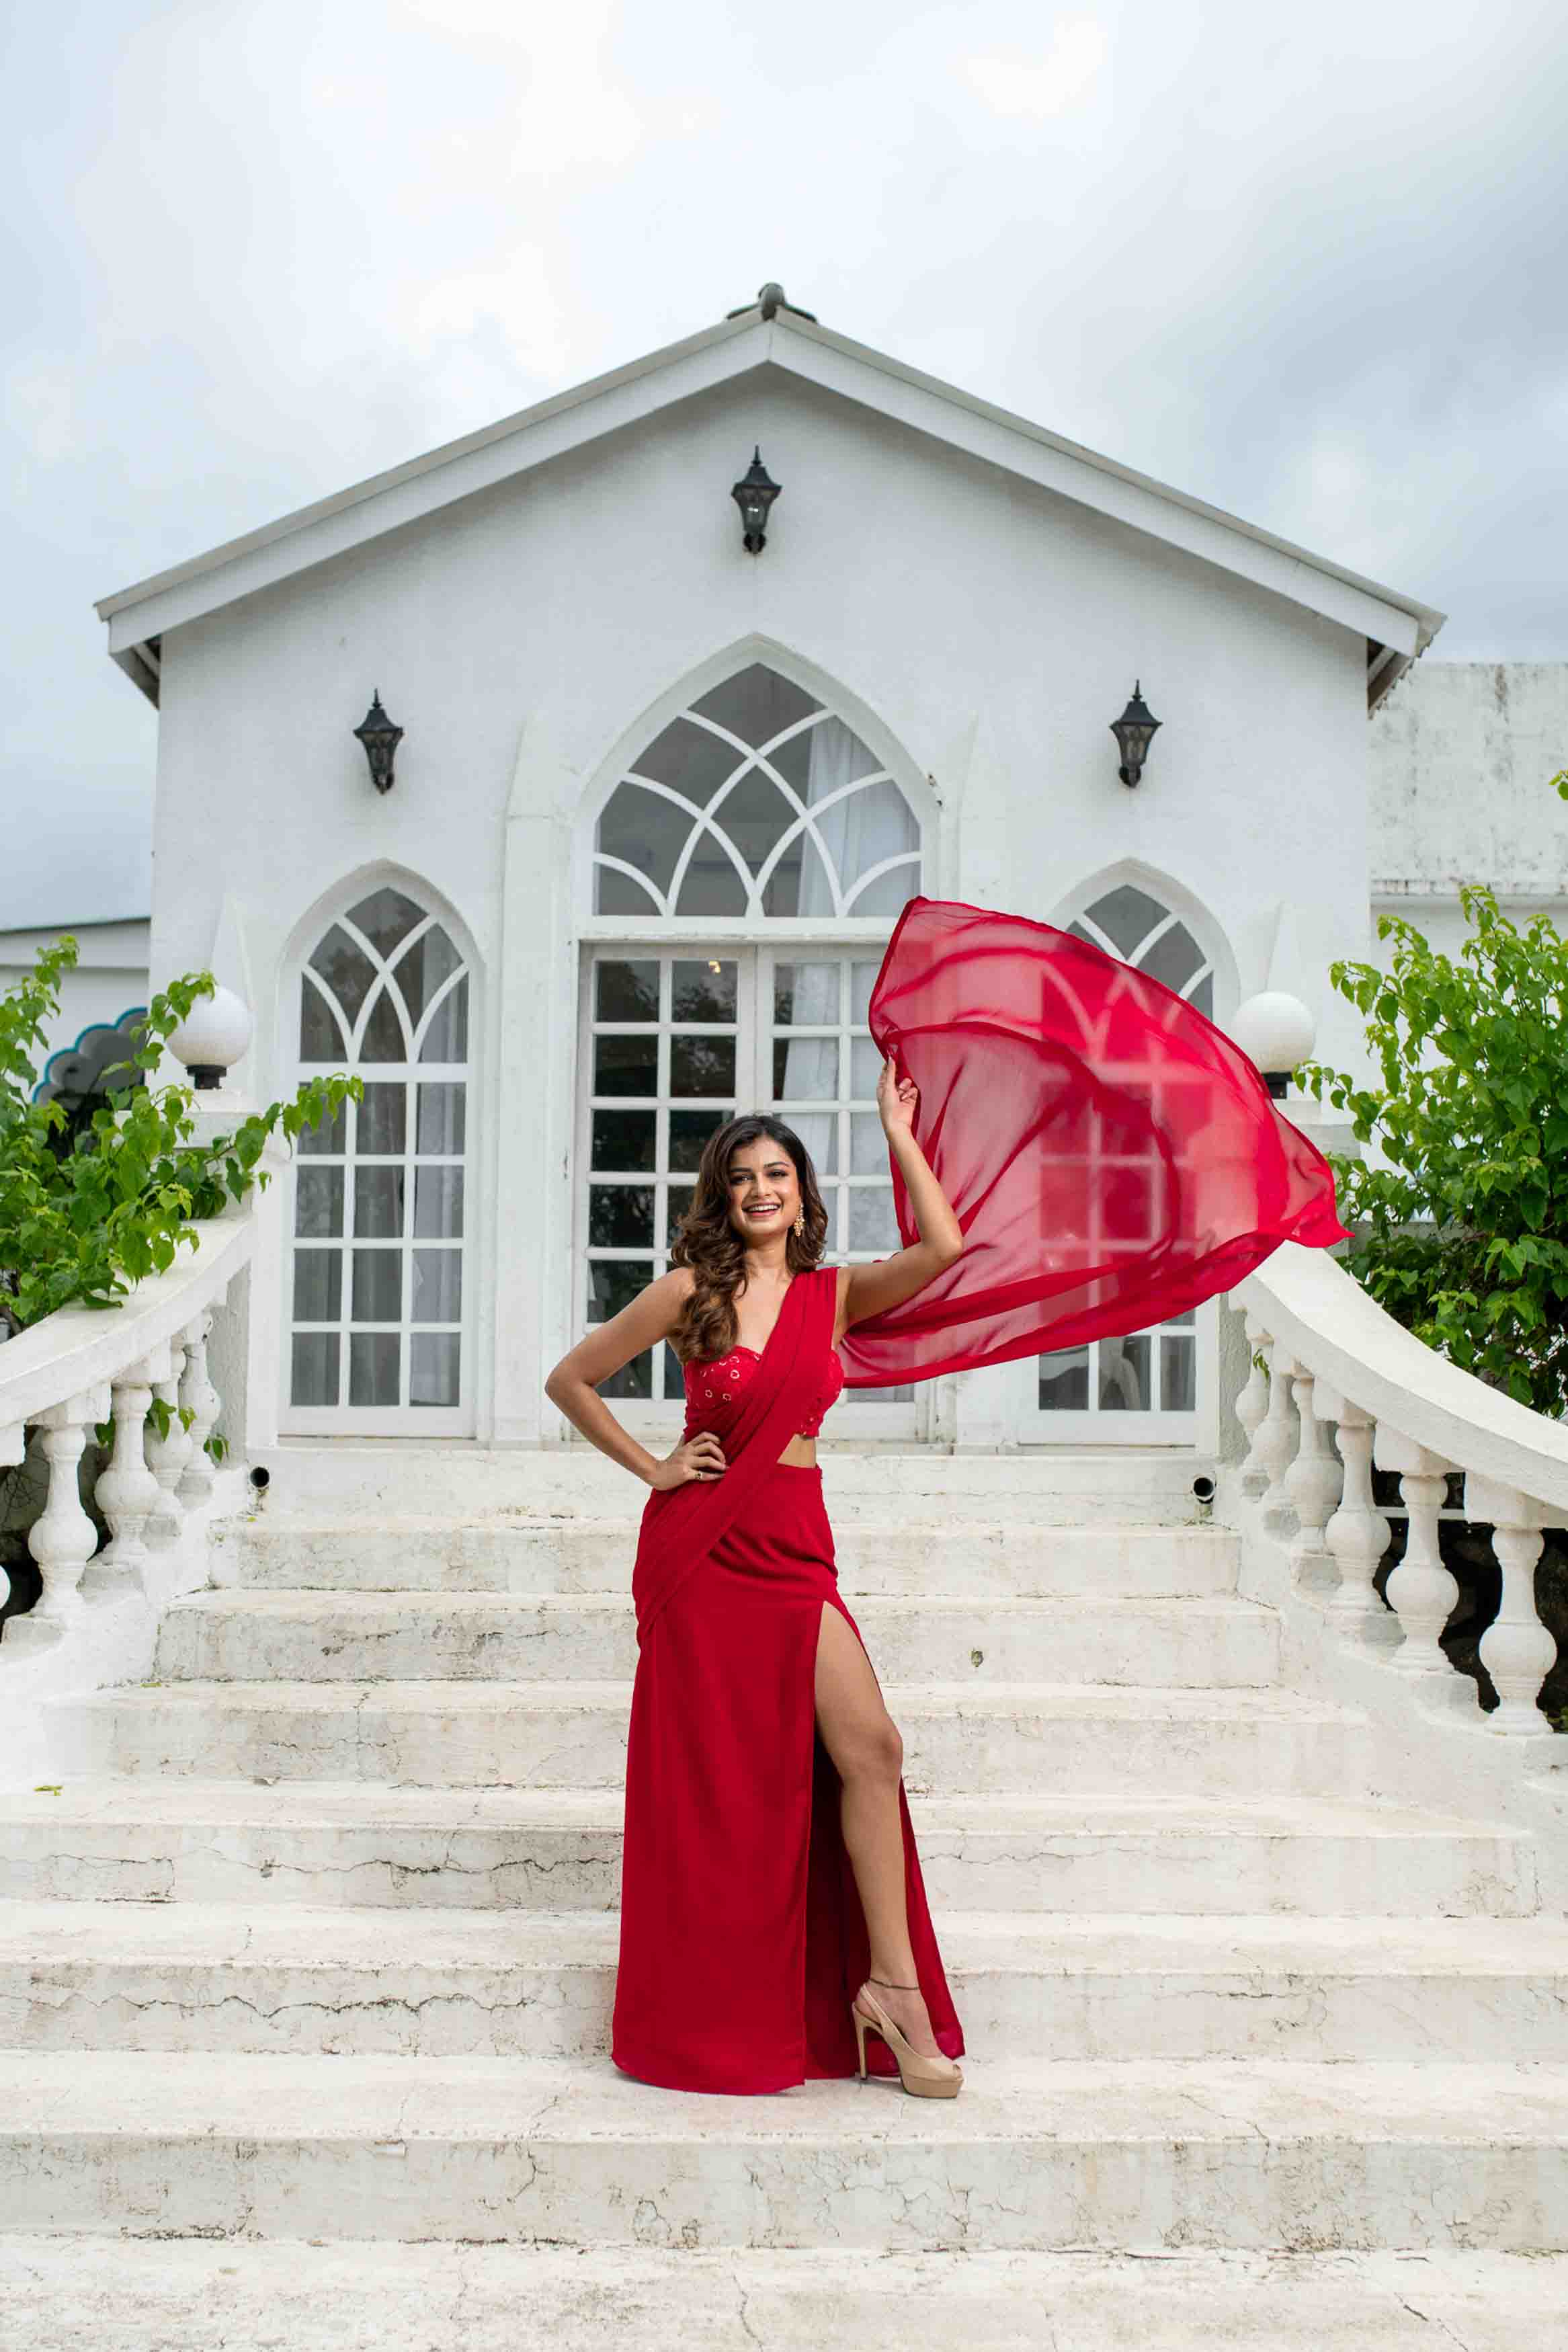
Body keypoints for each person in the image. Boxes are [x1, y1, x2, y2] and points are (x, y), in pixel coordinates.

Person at [544, 1054, 968, 2098]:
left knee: (870, 1748)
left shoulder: (833, 1298)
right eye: (742, 1178)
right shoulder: (690, 1290)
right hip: (704, 1551)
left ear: (802, 1191)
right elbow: (571, 1377)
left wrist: (896, 1130)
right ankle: (718, 2015)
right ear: (722, 1198)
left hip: (793, 1543)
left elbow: (944, 1247)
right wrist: (651, 1465)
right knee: (725, 1794)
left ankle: (891, 1993)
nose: (761, 1189)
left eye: (777, 1172)